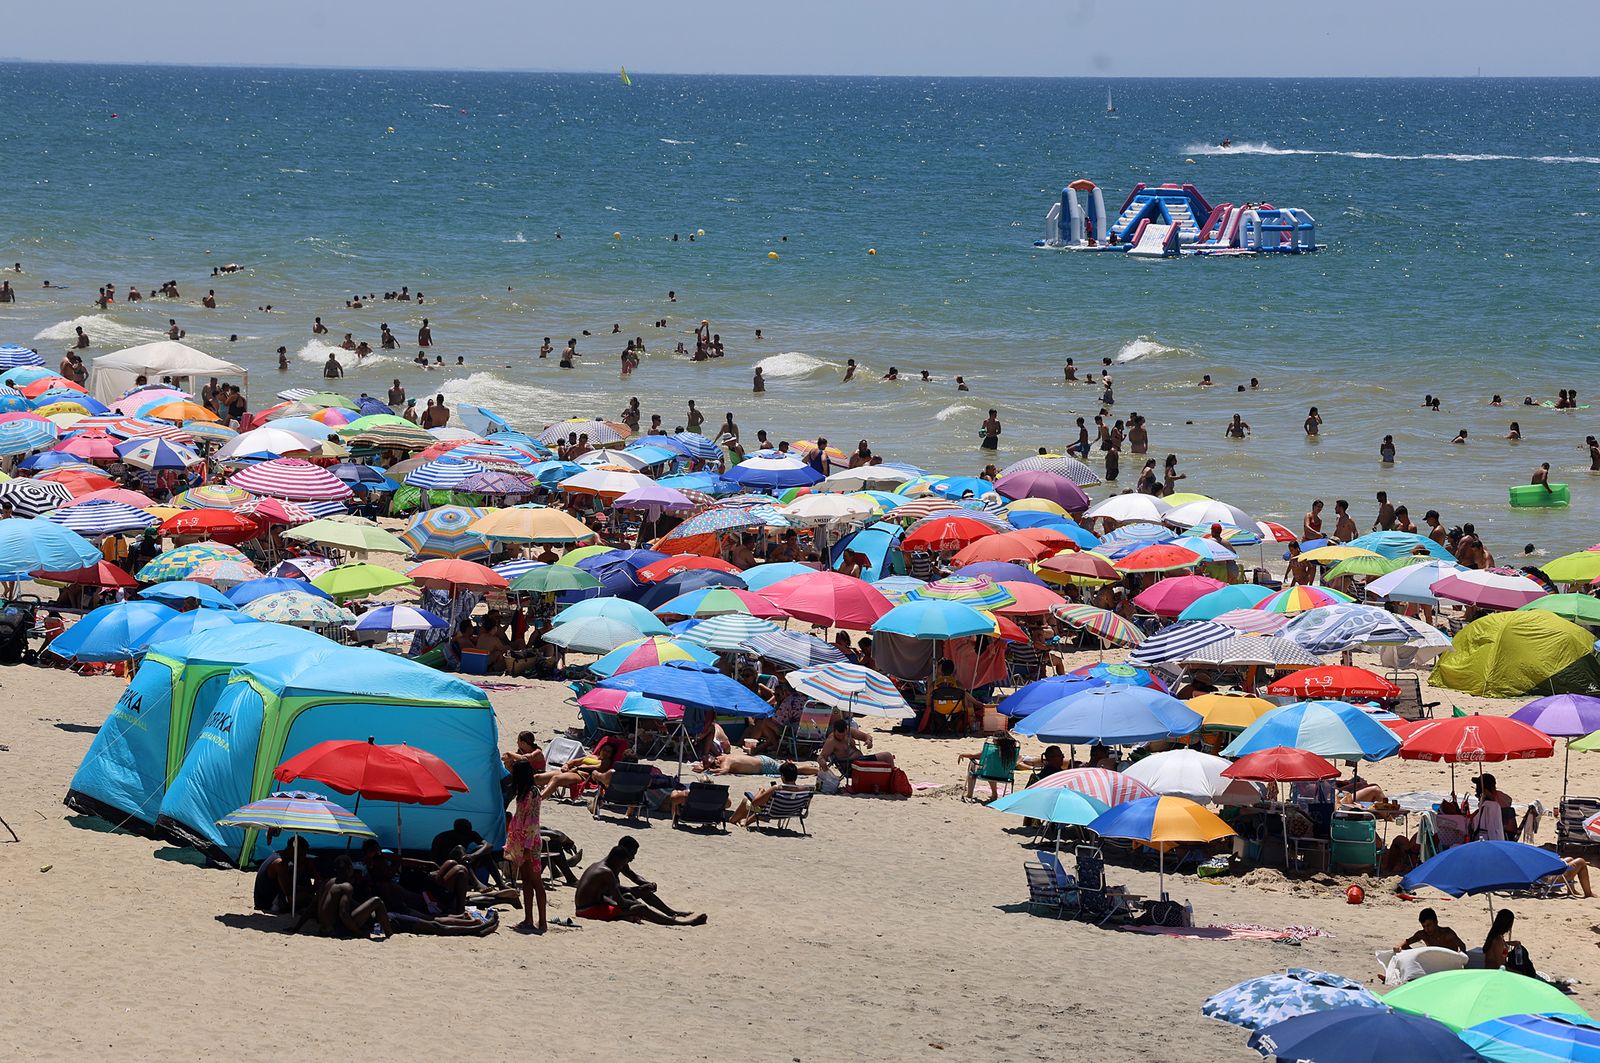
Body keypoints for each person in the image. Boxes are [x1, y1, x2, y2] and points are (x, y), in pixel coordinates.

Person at [573, 837, 706, 926]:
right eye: (632, 855)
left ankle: (670, 913)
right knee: (640, 907)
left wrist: (646, 885)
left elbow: (633, 878)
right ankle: (685, 924)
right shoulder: (607, 871)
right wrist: (636, 903)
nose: (632, 858)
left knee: (637, 896)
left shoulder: (612, 862)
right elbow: (621, 901)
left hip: (599, 901)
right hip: (588, 909)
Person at [503, 760, 547, 933]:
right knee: (527, 881)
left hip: (530, 843)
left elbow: (532, 822)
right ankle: (529, 919)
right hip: (521, 841)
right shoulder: (524, 792)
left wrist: (527, 847)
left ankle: (542, 921)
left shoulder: (533, 793)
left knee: (536, 881)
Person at [728, 761, 811, 828]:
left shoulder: (776, 788)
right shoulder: (805, 789)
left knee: (745, 801)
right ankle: (745, 821)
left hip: (772, 812)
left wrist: (761, 791)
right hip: (791, 812)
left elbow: (755, 803)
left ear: (782, 776)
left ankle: (732, 821)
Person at [817, 716, 894, 775]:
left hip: (860, 761)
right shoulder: (831, 741)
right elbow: (820, 757)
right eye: (838, 735)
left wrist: (869, 741)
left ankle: (891, 780)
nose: (841, 737)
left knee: (887, 758)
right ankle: (893, 781)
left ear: (846, 729)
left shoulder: (849, 731)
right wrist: (823, 763)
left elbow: (866, 736)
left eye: (843, 735)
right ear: (834, 731)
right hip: (851, 767)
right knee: (887, 756)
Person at [957, 734, 1020, 802]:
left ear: (997, 740)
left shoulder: (991, 750)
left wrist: (963, 755)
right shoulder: (1012, 752)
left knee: (973, 764)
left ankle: (969, 794)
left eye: (994, 739)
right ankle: (994, 794)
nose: (992, 741)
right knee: (993, 769)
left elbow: (974, 756)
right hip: (1005, 776)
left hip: (988, 774)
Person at [1483, 909, 1539, 978]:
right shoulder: (1497, 941)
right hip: (1495, 974)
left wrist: (1510, 943)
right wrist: (1519, 974)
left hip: (1498, 970)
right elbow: (1501, 966)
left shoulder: (1497, 937)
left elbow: (1501, 953)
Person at [1394, 908, 1467, 954]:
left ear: (1436, 922)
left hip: (1451, 963)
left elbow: (1462, 946)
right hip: (1434, 964)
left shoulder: (1447, 933)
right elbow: (1406, 942)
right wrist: (1398, 946)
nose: (1426, 929)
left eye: (1429, 925)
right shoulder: (1423, 934)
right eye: (1423, 926)